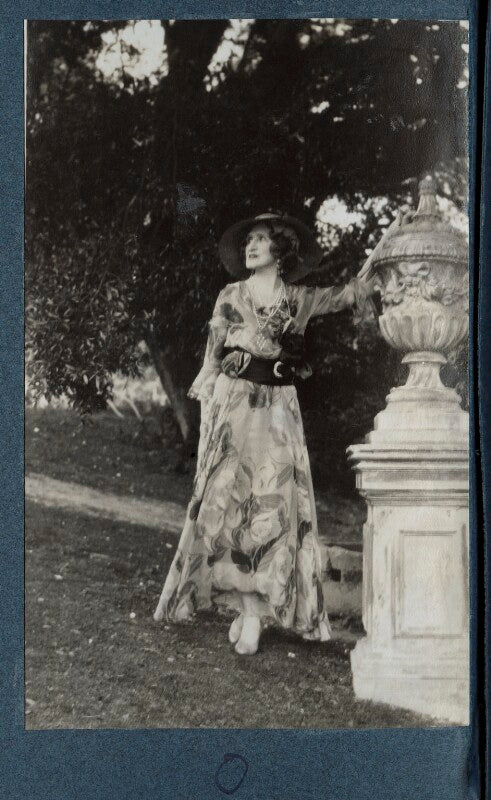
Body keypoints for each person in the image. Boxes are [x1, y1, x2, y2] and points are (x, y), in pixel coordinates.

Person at [154, 211, 393, 655]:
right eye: (248, 240)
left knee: (273, 506)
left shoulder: (298, 300)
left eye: (260, 239)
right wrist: (209, 422)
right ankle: (246, 607)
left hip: (279, 411)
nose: (251, 246)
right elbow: (211, 361)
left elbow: (344, 296)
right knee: (226, 504)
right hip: (233, 406)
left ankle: (257, 610)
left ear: (279, 251)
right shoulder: (230, 295)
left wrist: (370, 277)